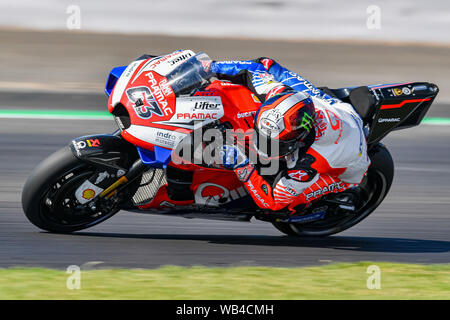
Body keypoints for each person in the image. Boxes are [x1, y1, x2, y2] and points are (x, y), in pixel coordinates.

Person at [211, 57, 371, 214]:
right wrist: (208, 67)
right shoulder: (279, 94)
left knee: (286, 207)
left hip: (351, 165)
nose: (262, 145)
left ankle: (313, 206)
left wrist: (242, 166)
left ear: (297, 140)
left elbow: (273, 202)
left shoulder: (307, 163)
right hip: (337, 109)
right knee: (267, 64)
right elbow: (256, 67)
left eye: (273, 143)